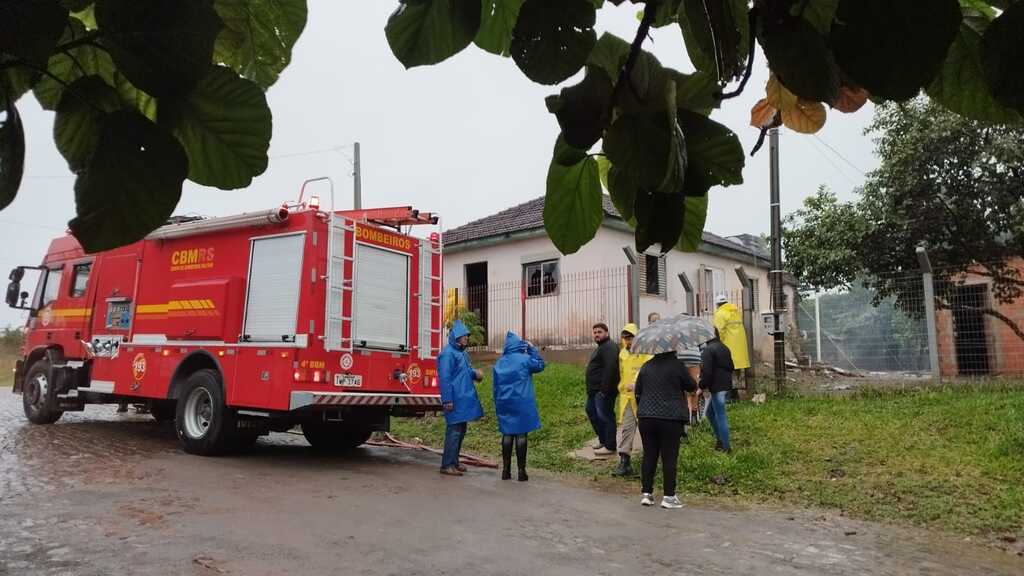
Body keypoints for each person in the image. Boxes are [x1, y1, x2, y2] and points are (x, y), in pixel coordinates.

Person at [634, 351, 697, 509]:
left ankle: (647, 494)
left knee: (649, 455)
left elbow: (638, 391)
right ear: (672, 350)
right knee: (669, 457)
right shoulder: (677, 366)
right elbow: (691, 386)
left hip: (646, 417)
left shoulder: (646, 366)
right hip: (670, 417)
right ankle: (669, 497)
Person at [492, 332, 545, 481]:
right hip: (522, 402)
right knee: (521, 434)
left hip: (504, 401)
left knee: (507, 434)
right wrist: (532, 349)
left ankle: (506, 471)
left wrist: (497, 402)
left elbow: (495, 386)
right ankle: (521, 471)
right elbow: (540, 365)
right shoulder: (525, 360)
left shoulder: (499, 363)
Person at [437, 320, 485, 476]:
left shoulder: (461, 353)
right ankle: (447, 465)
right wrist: (447, 400)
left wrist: (475, 374)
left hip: (463, 399)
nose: (467, 339)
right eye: (464, 337)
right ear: (456, 337)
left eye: (467, 337)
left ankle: (454, 462)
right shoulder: (447, 354)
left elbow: (464, 372)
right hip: (455, 399)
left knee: (460, 430)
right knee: (454, 431)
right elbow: (444, 378)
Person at [613, 323, 651, 477]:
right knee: (627, 428)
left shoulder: (645, 352)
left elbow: (648, 372)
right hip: (627, 398)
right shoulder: (622, 354)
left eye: (631, 337)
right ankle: (624, 461)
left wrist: (637, 384)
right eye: (626, 338)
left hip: (643, 397)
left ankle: (649, 460)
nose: (628, 341)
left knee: (647, 429)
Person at [585, 323, 619, 456]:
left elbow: (611, 369)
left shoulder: (609, 347)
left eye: (599, 332)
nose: (597, 334)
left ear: (606, 332)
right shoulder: (601, 347)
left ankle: (610, 446)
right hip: (594, 392)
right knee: (592, 412)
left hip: (603, 392)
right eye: (595, 332)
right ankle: (603, 441)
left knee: (606, 417)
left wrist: (604, 390)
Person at [700, 329, 735, 453]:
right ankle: (720, 439)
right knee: (710, 413)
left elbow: (707, 372)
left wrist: (702, 385)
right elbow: (731, 366)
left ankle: (726, 447)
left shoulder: (708, 351)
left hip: (717, 387)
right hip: (726, 386)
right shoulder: (725, 347)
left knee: (721, 416)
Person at [713, 294, 750, 389]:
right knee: (737, 367)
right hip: (740, 345)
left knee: (727, 368)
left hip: (728, 345)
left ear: (717, 304)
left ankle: (730, 390)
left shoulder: (720, 313)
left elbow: (719, 330)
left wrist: (717, 344)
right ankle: (736, 387)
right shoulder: (735, 312)